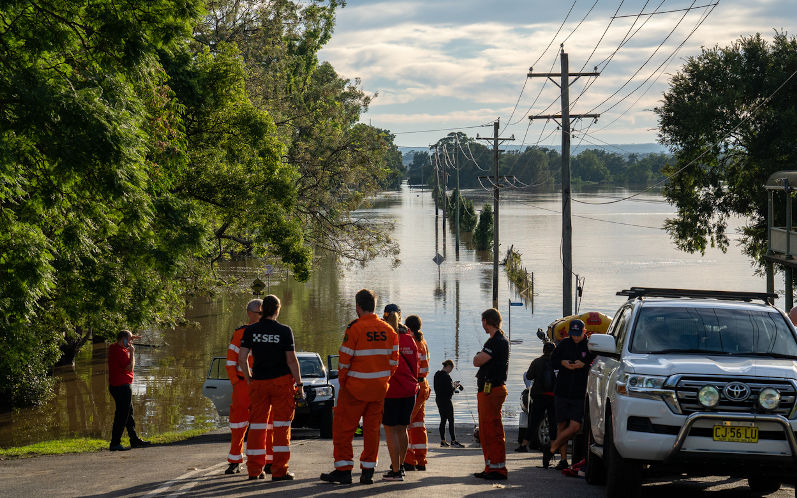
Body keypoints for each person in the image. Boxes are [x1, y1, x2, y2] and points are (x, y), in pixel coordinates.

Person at [320, 289, 399, 485]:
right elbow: (394, 363)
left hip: (354, 390)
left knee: (343, 430)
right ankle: (367, 472)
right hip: (378, 390)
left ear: (358, 307)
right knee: (371, 432)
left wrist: (345, 384)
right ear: (374, 305)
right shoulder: (389, 330)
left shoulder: (354, 328)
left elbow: (344, 362)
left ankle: (344, 470)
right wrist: (383, 381)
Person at [239, 294, 304, 481]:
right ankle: (279, 471)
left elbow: (242, 358)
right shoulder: (284, 331)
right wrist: (299, 384)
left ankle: (254, 470)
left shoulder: (251, 331)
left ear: (262, 310)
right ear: (277, 310)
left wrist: (249, 377)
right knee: (281, 427)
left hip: (259, 382)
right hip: (281, 383)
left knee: (257, 427)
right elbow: (292, 360)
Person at [546, 319, 595, 470]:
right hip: (562, 390)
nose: (575, 337)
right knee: (561, 423)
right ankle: (562, 459)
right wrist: (563, 363)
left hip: (580, 392)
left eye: (578, 334)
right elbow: (553, 361)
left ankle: (552, 447)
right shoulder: (564, 344)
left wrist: (584, 364)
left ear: (584, 331)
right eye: (573, 334)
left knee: (575, 426)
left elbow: (597, 364)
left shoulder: (590, 346)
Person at [224, 299, 262, 475]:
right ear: (250, 313)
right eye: (259, 313)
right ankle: (234, 460)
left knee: (262, 425)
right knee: (238, 424)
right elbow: (231, 360)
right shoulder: (240, 333)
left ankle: (263, 462)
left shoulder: (268, 331)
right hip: (242, 385)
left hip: (261, 384)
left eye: (264, 313)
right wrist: (235, 382)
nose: (263, 316)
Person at [381, 307, 419, 481]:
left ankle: (395, 471)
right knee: (403, 429)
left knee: (390, 431)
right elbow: (417, 367)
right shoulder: (410, 340)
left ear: (384, 316)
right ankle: (401, 465)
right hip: (409, 390)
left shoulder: (386, 338)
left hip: (391, 391)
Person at [472, 308, 510, 480]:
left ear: (486, 321)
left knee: (491, 431)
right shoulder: (497, 340)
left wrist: (478, 356)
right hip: (491, 390)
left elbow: (477, 361)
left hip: (491, 391)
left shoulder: (495, 342)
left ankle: (497, 468)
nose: (482, 325)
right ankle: (490, 466)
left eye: (483, 321)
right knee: (487, 431)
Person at [107, 330, 151, 451]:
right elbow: (130, 368)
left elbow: (122, 340)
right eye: (129, 339)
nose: (131, 342)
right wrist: (132, 353)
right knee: (122, 415)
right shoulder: (121, 352)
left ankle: (134, 439)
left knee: (129, 413)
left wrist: (130, 337)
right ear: (123, 340)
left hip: (115, 386)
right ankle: (115, 443)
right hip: (122, 387)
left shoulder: (113, 347)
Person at [515, 342, 557, 460]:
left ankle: (524, 445)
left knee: (533, 421)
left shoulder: (537, 362)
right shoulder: (557, 363)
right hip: (553, 396)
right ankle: (553, 447)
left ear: (543, 350)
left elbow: (528, 376)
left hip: (539, 396)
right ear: (554, 351)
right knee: (553, 422)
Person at [404, 314, 431, 471]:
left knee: (406, 424)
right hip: (423, 385)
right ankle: (421, 459)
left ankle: (409, 459)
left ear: (408, 327)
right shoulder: (423, 342)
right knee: (419, 424)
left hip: (414, 386)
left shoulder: (411, 342)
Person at [433, 359, 464, 448]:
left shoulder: (436, 374)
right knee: (451, 420)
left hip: (438, 399)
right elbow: (449, 391)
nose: (451, 371)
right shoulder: (446, 377)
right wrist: (454, 387)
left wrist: (452, 385)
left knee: (443, 420)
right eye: (451, 369)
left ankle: (443, 441)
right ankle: (453, 441)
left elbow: (440, 387)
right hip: (446, 400)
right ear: (449, 367)